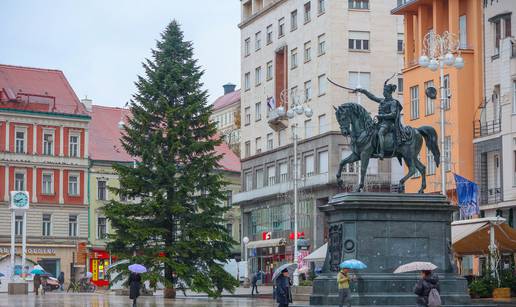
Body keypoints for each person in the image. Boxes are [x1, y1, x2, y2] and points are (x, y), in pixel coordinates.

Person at [354, 79, 408, 160]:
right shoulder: (382, 101)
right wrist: (362, 91)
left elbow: (393, 114)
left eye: (385, 91)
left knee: (380, 132)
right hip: (381, 123)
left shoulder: (393, 102)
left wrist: (381, 116)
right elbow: (372, 97)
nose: (383, 93)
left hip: (389, 124)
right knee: (370, 132)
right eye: (383, 91)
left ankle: (382, 153)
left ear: (389, 92)